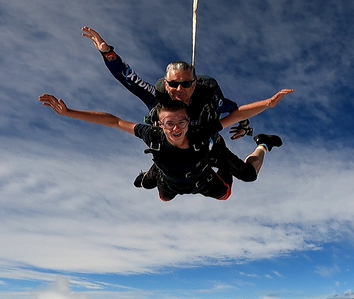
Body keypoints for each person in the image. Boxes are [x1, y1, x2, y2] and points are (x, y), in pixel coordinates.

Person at [81, 26, 259, 188]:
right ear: (166, 84)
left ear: (195, 84)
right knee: (150, 182)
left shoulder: (209, 101)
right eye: (173, 84)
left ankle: (264, 144)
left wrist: (244, 125)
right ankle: (152, 173)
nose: (179, 89)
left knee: (249, 175)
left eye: (186, 84)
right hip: (170, 151)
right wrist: (108, 54)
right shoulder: (157, 99)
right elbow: (129, 79)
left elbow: (235, 109)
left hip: (210, 146)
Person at [38, 89, 293, 201]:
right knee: (160, 193)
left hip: (202, 178)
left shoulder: (199, 132)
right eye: (169, 124)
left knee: (244, 179)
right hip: (169, 180)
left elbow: (234, 116)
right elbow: (115, 121)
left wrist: (267, 104)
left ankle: (263, 145)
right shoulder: (153, 136)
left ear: (188, 121)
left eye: (181, 122)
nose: (176, 129)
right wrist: (69, 112)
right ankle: (151, 174)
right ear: (159, 125)